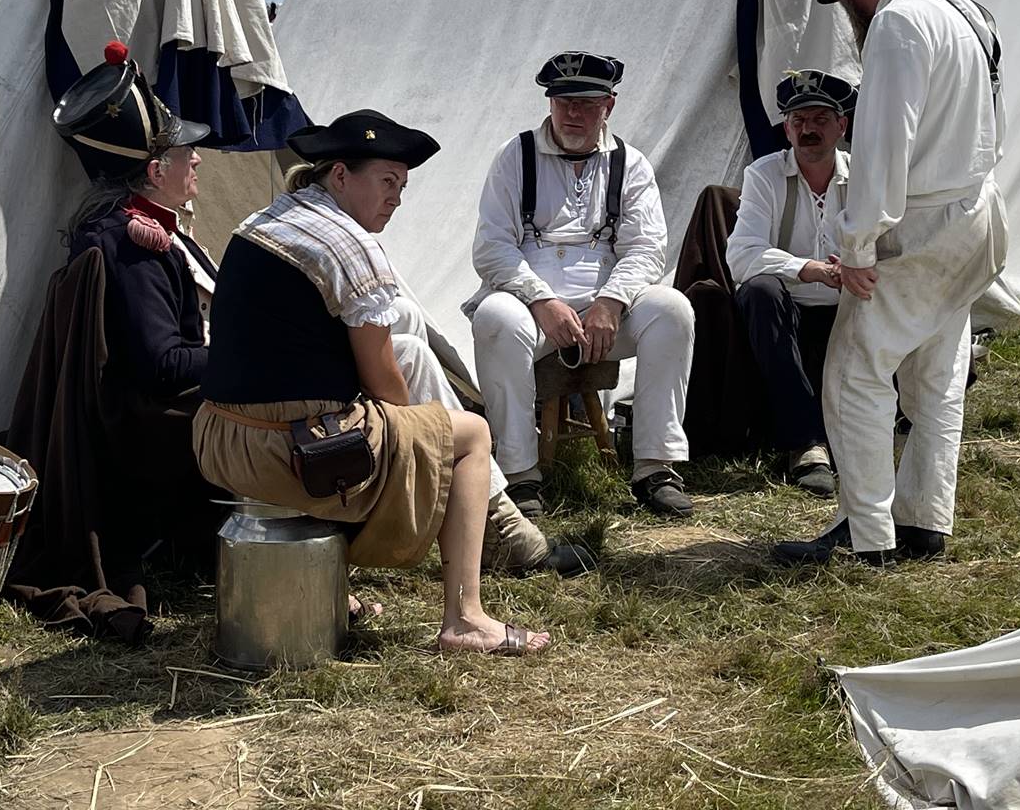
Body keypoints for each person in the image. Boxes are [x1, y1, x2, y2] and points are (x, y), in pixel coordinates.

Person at [193, 109, 554, 655]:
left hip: (220, 438)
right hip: (286, 452)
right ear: (340, 175)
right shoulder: (350, 245)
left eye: (402, 186)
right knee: (470, 436)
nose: (396, 198)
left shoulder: (267, 220)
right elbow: (386, 388)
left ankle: (350, 584)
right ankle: (467, 617)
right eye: (388, 182)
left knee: (408, 355)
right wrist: (422, 455)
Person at [774, 0, 1007, 566]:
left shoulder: (898, 25)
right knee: (934, 377)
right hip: (974, 213)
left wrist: (856, 246)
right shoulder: (966, 11)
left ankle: (867, 535)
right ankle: (925, 522)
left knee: (854, 374)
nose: (845, 13)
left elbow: (880, 147)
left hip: (928, 223)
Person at [6, 39, 222, 639]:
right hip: (148, 425)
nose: (198, 161)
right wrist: (241, 356)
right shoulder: (133, 244)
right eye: (187, 154)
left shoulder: (138, 228)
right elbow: (162, 365)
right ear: (156, 171)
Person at [467, 52, 696, 518]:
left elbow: (647, 247)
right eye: (563, 101)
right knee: (494, 317)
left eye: (586, 103)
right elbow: (491, 247)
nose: (572, 113)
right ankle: (518, 475)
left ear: (608, 105)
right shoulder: (516, 156)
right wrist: (541, 301)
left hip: (603, 315)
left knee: (673, 310)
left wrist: (611, 301)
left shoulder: (629, 163)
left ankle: (655, 466)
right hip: (531, 309)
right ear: (550, 102)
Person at [727, 70, 857, 499]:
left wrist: (854, 269)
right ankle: (806, 446)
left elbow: (893, 243)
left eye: (820, 118)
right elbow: (741, 253)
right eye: (798, 120)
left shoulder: (863, 176)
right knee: (760, 292)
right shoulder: (764, 174)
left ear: (842, 125)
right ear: (786, 128)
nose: (808, 129)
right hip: (790, 312)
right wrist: (809, 269)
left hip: (849, 307)